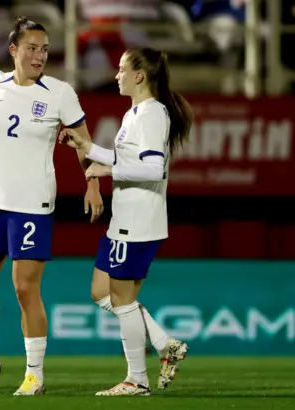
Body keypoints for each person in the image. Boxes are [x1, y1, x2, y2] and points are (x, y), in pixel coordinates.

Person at [0, 17, 104, 396]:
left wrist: (92, 183)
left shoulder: (60, 92)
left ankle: (34, 375)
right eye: (31, 47)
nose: (39, 55)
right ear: (13, 50)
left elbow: (83, 141)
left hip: (33, 206)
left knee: (24, 289)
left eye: (44, 49)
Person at [59, 46, 192, 396]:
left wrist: (107, 170)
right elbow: (126, 157)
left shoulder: (151, 114)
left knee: (122, 301)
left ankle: (137, 380)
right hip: (127, 219)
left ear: (139, 76)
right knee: (101, 291)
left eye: (121, 69)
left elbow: (152, 168)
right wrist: (87, 147)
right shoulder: (136, 114)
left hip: (138, 220)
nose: (116, 75)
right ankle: (165, 345)